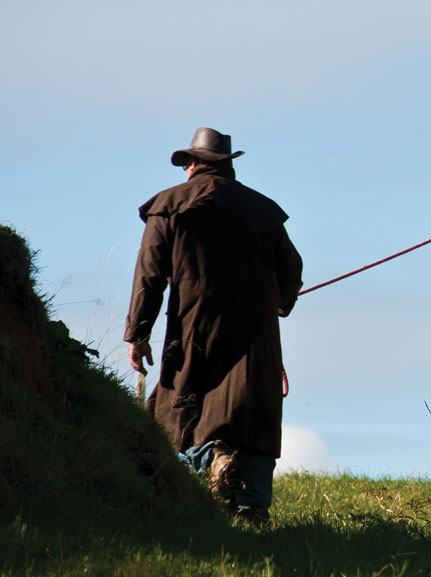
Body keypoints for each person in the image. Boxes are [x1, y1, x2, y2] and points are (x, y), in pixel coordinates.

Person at [124, 127, 303, 525]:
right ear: (228, 166)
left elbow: (149, 277)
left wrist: (138, 334)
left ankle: (211, 461)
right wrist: (282, 301)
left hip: (193, 330)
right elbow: (291, 271)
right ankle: (252, 511)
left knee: (178, 413)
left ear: (193, 165)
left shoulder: (168, 205)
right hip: (256, 335)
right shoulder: (263, 210)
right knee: (252, 415)